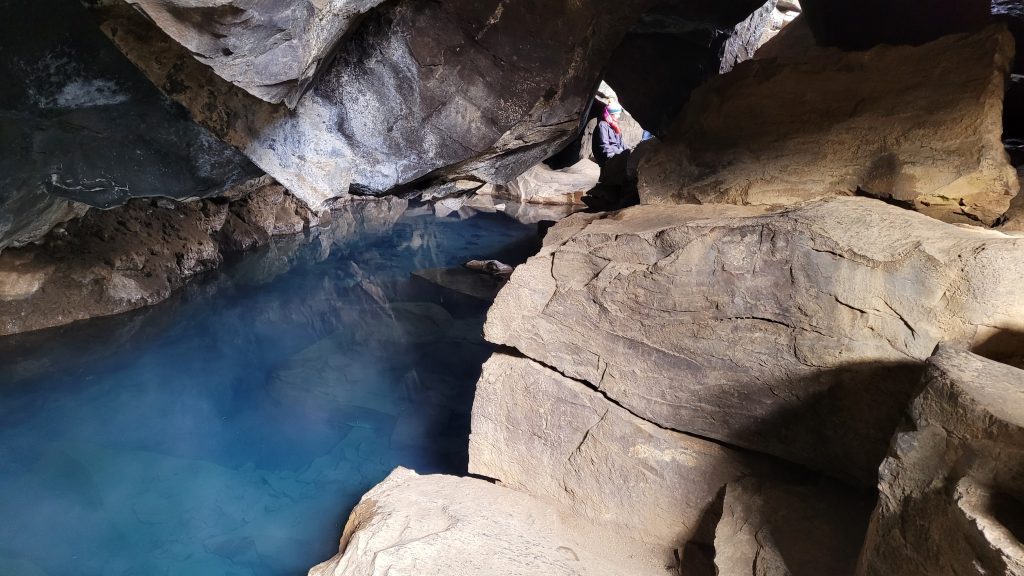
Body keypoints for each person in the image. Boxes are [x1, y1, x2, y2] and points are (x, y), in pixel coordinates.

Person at [592, 102, 625, 167]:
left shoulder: (615, 126)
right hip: (607, 157)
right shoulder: (602, 125)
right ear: (611, 114)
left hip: (617, 153)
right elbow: (603, 144)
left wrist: (629, 150)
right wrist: (611, 156)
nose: (619, 116)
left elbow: (621, 143)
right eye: (617, 114)